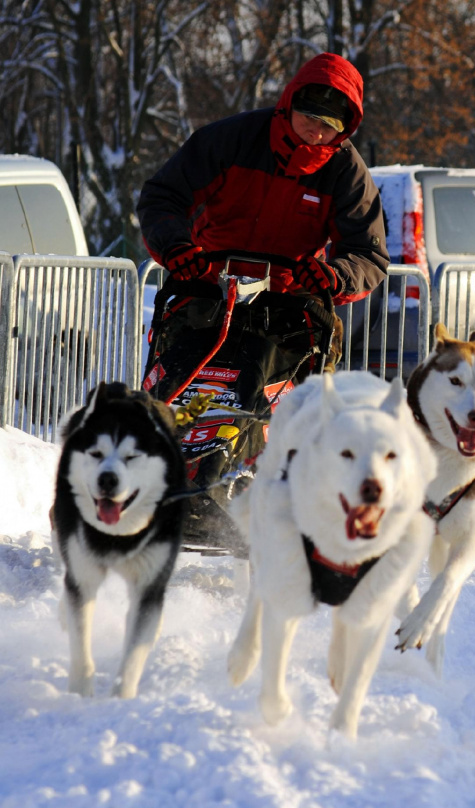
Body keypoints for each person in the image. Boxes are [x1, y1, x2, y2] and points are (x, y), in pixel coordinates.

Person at [137, 51, 389, 551]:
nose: (314, 132)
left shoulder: (345, 173)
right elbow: (162, 196)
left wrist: (333, 276)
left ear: (345, 129)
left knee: (263, 379)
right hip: (206, 282)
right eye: (308, 118)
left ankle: (241, 489)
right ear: (289, 104)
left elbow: (369, 255)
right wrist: (178, 247)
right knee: (182, 373)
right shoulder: (229, 140)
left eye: (328, 126)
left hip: (289, 300)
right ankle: (154, 474)